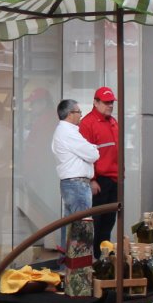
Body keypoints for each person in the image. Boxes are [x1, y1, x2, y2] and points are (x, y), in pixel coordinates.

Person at [50, 99, 99, 245]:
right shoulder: (68, 132)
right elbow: (93, 154)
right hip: (77, 185)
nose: (81, 115)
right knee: (81, 228)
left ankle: (69, 262)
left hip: (71, 184)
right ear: (70, 114)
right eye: (78, 112)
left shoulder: (65, 131)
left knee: (72, 227)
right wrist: (94, 148)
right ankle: (79, 265)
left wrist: (91, 148)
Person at [79, 86, 119, 256]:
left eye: (111, 102)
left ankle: (103, 259)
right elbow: (83, 155)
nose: (110, 105)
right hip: (100, 181)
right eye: (106, 102)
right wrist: (92, 179)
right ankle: (94, 260)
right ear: (95, 102)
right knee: (96, 222)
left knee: (108, 222)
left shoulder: (113, 122)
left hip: (114, 179)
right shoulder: (88, 124)